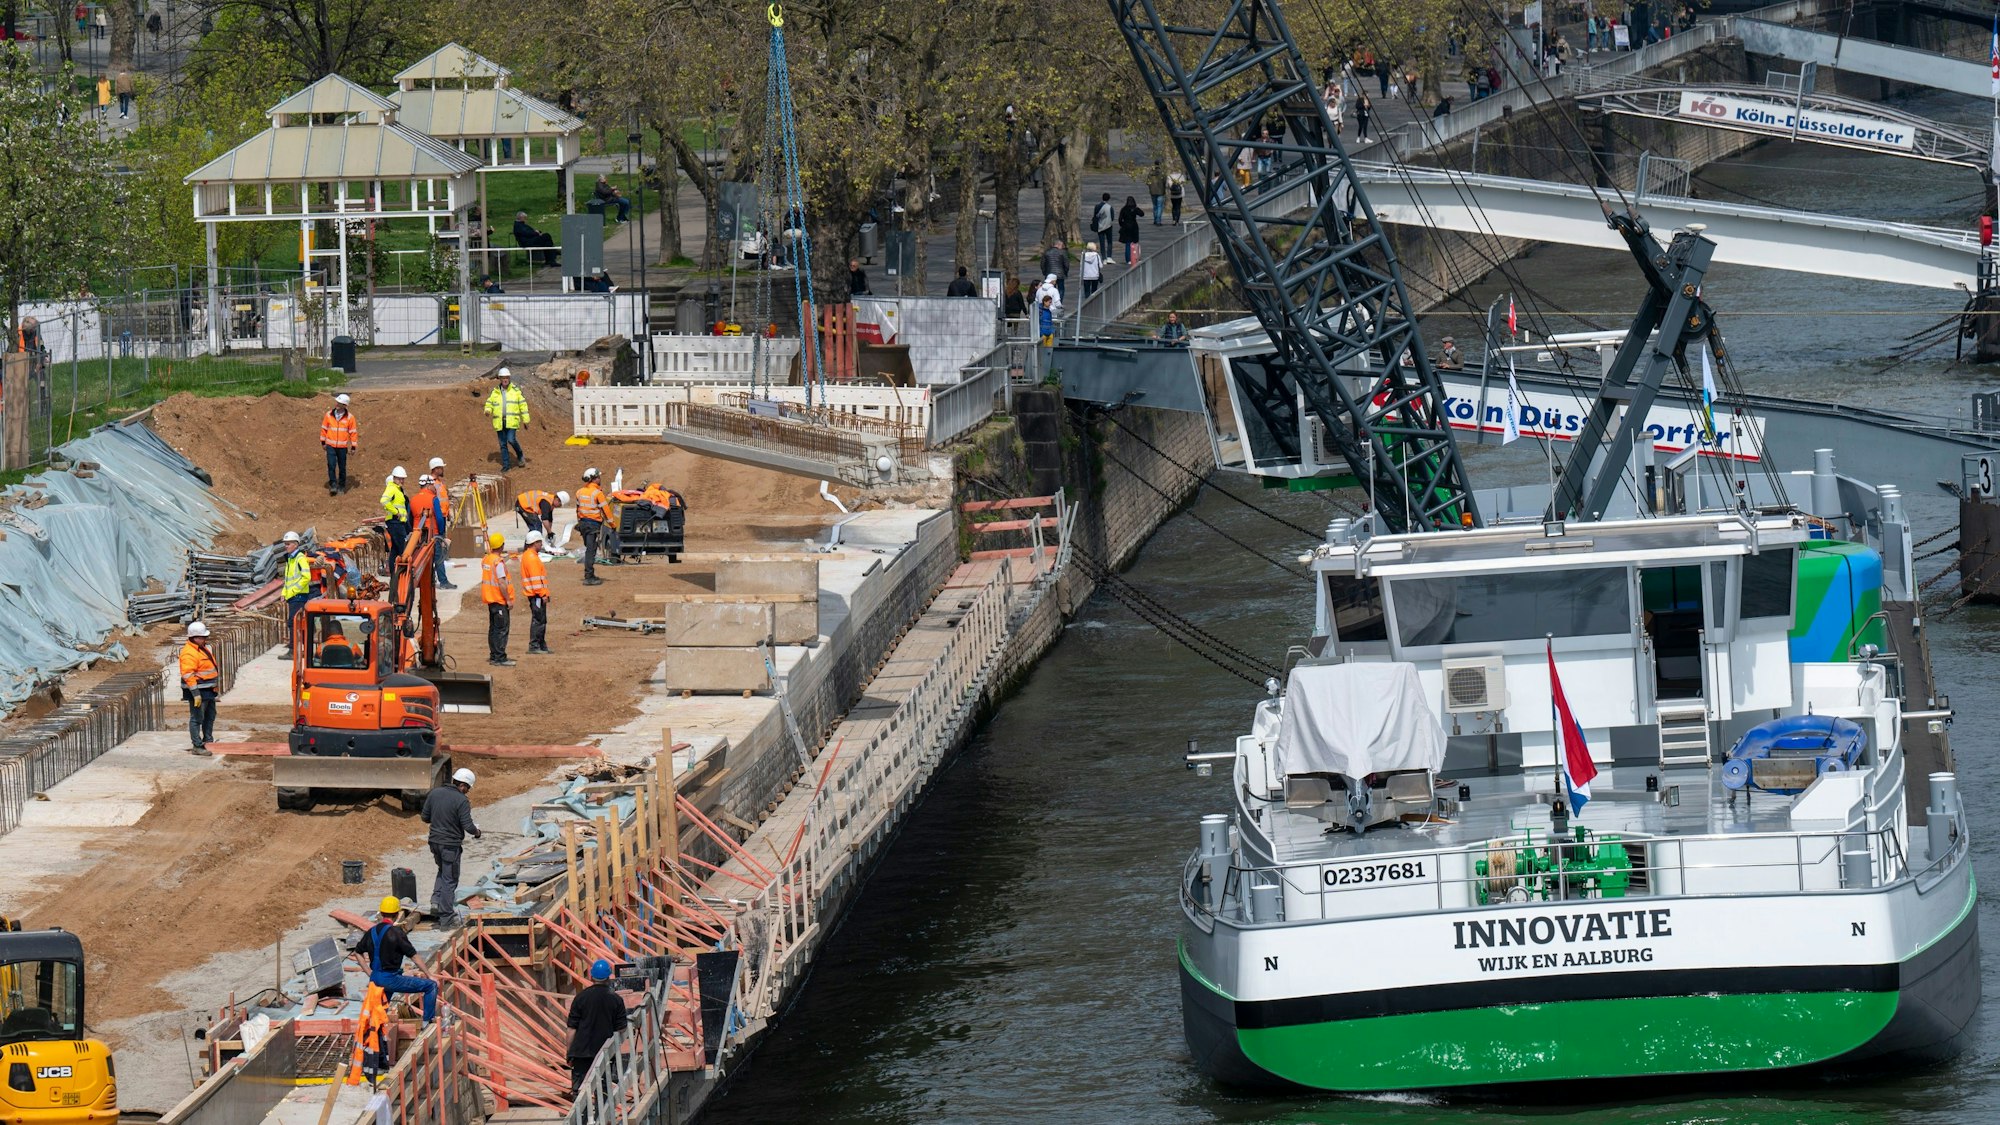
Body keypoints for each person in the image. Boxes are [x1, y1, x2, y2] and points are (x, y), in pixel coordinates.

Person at [351, 898, 439, 1023]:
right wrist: (429, 975)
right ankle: (427, 1022)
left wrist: (369, 972)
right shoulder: (397, 933)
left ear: (381, 913)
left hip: (375, 978)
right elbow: (414, 956)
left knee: (379, 1016)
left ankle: (379, 1036)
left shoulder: (372, 931)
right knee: (431, 986)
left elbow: (357, 952)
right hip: (391, 979)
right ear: (398, 914)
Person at [420, 768, 483, 927]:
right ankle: (447, 917)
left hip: (434, 842)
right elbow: (468, 825)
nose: (467, 792)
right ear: (462, 785)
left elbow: (425, 817)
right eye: (467, 788)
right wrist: (477, 832)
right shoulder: (461, 800)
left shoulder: (434, 793)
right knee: (450, 878)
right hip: (450, 845)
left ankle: (436, 902)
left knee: (442, 870)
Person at [566, 959, 628, 1097]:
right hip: (603, 1052)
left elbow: (571, 1029)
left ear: (591, 976)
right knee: (604, 1090)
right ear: (608, 977)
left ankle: (581, 1118)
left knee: (580, 1092)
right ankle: (602, 1118)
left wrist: (569, 1053)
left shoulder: (580, 998)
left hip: (581, 1053)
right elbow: (621, 1029)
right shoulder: (616, 999)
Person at [178, 621, 218, 756]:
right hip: (198, 691)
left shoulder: (201, 648)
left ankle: (208, 740)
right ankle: (197, 745)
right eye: (202, 637)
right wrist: (195, 694)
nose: (205, 639)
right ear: (195, 637)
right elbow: (188, 675)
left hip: (207, 690)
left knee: (210, 716)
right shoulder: (189, 653)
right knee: (197, 718)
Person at [575, 467, 618, 585]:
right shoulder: (597, 493)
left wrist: (579, 522)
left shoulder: (579, 492)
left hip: (583, 524)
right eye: (598, 477)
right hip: (592, 524)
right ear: (594, 479)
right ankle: (589, 576)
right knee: (591, 550)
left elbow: (577, 509)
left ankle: (590, 574)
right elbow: (606, 511)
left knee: (589, 548)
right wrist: (612, 525)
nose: (600, 478)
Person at [485, 368, 530, 471]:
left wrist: (526, 420)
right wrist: (488, 410)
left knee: (511, 439)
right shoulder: (495, 392)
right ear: (500, 379)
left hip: (512, 421)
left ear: (509, 378)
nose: (505, 380)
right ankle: (506, 466)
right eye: (503, 378)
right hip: (499, 421)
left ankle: (520, 454)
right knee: (502, 444)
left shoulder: (516, 391)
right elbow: (489, 403)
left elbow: (523, 405)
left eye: (507, 378)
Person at [481, 532, 515, 665]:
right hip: (499, 600)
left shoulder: (487, 559)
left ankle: (494, 655)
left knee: (494, 629)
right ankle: (500, 657)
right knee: (501, 629)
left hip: (491, 600)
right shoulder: (498, 562)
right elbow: (502, 582)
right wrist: (508, 599)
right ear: (501, 546)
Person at [425, 457, 455, 589]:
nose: (443, 469)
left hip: (441, 517)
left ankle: (438, 578)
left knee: (439, 551)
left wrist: (447, 514)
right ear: (436, 469)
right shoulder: (431, 483)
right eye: (441, 467)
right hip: (437, 521)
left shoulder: (438, 482)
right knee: (439, 552)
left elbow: (443, 500)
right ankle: (442, 581)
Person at [320, 393, 357, 495]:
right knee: (331, 465)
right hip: (330, 445)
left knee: (342, 467)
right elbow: (324, 429)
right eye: (337, 401)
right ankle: (333, 485)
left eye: (339, 402)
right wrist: (323, 442)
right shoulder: (328, 415)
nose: (336, 403)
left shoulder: (350, 418)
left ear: (344, 405)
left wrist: (353, 446)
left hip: (342, 447)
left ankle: (341, 486)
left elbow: (353, 432)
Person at [280, 532, 311, 654]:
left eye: (288, 544)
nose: (285, 546)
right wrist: (284, 593)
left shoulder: (300, 558)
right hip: (293, 596)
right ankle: (297, 645)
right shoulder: (290, 559)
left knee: (293, 622)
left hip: (298, 596)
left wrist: (293, 591)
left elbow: (306, 577)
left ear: (295, 544)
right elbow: (287, 580)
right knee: (294, 622)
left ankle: (293, 650)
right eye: (285, 544)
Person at [522, 530, 551, 655]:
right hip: (536, 595)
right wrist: (543, 594)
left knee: (541, 619)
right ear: (535, 543)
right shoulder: (532, 558)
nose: (541, 545)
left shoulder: (529, 556)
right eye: (540, 542)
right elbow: (536, 581)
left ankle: (540, 644)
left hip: (536, 594)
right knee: (538, 620)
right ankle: (535, 645)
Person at [381, 467, 411, 563]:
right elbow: (384, 501)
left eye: (403, 479)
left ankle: (394, 574)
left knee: (395, 550)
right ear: (394, 478)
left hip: (398, 522)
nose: (402, 481)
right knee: (403, 550)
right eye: (399, 478)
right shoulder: (392, 488)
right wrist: (396, 512)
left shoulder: (398, 490)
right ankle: (402, 574)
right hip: (395, 522)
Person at [1118, 196, 1143, 267]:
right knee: (1135, 242)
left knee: (1128, 243)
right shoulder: (1135, 209)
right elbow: (1142, 214)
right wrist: (1136, 209)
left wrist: (1122, 225)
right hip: (1134, 226)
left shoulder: (1124, 209)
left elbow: (1120, 219)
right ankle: (1135, 256)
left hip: (1126, 226)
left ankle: (1128, 259)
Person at [1090, 193, 1115, 263]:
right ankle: (1109, 256)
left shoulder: (1097, 206)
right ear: (1109, 198)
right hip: (1108, 226)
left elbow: (1095, 216)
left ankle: (1104, 258)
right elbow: (1112, 217)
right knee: (1109, 241)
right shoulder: (1109, 207)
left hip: (1100, 226)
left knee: (1102, 243)